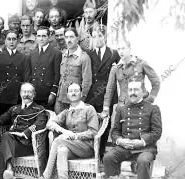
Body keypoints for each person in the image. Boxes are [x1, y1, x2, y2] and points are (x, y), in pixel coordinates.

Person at [28, 83, 99, 179]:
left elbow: (93, 132)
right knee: (61, 150)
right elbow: (50, 123)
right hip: (70, 147)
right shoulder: (67, 112)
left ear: (81, 93)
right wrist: (64, 130)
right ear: (67, 95)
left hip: (86, 147)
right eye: (71, 91)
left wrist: (75, 135)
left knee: (58, 140)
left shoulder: (89, 109)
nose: (73, 93)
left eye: (76, 90)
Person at [103, 79, 162, 179]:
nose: (132, 93)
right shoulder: (122, 109)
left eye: (136, 89)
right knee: (108, 158)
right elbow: (114, 131)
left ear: (143, 91)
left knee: (143, 161)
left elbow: (157, 132)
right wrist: (120, 141)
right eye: (130, 90)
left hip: (145, 148)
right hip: (125, 146)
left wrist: (142, 141)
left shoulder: (153, 108)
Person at [0, 82, 47, 179]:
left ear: (33, 95)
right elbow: (1, 118)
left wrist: (24, 133)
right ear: (20, 93)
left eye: (29, 92)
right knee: (7, 136)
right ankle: (8, 168)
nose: (26, 94)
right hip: (12, 143)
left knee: (6, 138)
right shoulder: (14, 109)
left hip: (27, 145)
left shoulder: (39, 109)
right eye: (24, 91)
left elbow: (40, 124)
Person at [86, 25, 120, 158]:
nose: (97, 39)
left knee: (106, 124)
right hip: (92, 95)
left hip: (107, 95)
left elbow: (120, 70)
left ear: (105, 37)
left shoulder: (114, 53)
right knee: (92, 124)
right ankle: (90, 154)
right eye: (94, 37)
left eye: (100, 36)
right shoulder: (89, 54)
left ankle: (100, 154)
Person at [101, 40, 161, 118]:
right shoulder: (115, 68)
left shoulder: (141, 63)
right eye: (119, 49)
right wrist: (106, 107)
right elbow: (109, 89)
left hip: (141, 105)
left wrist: (151, 98)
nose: (121, 51)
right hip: (123, 107)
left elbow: (156, 82)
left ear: (130, 49)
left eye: (123, 48)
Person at [0, 30, 30, 119]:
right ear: (5, 41)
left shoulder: (23, 57)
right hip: (1, 97)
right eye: (9, 39)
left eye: (14, 39)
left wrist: (23, 97)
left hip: (17, 97)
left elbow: (26, 79)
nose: (11, 42)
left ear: (18, 41)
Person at [54, 28, 92, 114]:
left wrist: (80, 101)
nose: (69, 40)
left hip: (74, 101)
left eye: (71, 37)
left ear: (77, 38)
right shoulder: (63, 55)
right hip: (60, 100)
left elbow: (87, 82)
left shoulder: (84, 57)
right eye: (67, 37)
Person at [29, 26, 61, 110]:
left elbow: (57, 75)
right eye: (39, 36)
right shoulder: (32, 53)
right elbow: (30, 74)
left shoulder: (56, 53)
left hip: (47, 93)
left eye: (44, 36)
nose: (41, 39)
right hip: (34, 93)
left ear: (49, 37)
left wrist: (53, 93)